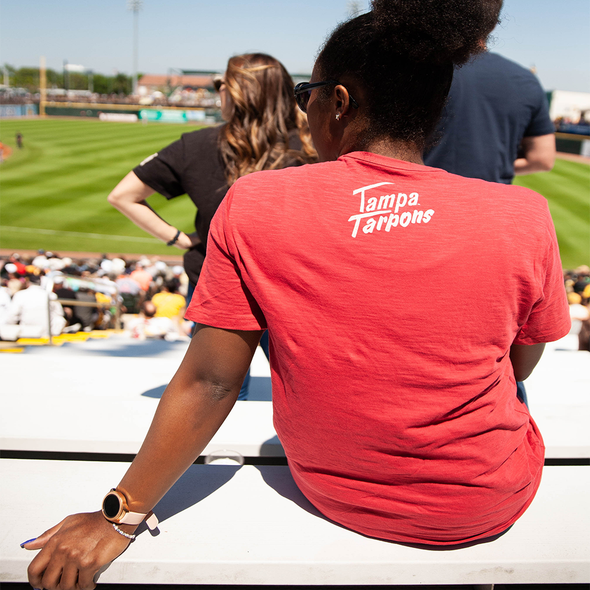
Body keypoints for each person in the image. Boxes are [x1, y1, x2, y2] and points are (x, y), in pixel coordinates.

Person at [25, 1, 570, 587]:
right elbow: (519, 364)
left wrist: (120, 516)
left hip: (332, 492)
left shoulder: (256, 203)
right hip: (491, 498)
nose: (304, 107)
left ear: (338, 101)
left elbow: (211, 381)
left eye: (308, 92)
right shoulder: (523, 215)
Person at [423, 25, 555, 184]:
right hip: (490, 200)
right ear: (493, 24)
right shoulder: (525, 80)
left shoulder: (418, 68)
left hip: (426, 196)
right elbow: (542, 159)